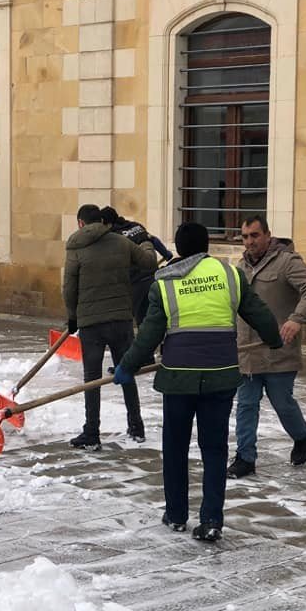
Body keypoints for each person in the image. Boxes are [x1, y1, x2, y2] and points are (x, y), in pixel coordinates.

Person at [113, 222, 282, 542]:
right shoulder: (230, 275)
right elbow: (257, 312)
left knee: (175, 447)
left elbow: (149, 334)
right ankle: (212, 519)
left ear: (178, 248)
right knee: (215, 449)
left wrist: (127, 365)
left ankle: (176, 514)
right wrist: (274, 339)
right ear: (206, 246)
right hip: (221, 377)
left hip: (178, 379)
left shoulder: (163, 283)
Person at [227, 215, 306, 478]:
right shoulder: (240, 267)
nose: (250, 242)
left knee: (282, 402)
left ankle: (302, 435)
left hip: (278, 350)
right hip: (247, 351)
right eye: (245, 237)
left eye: (255, 235)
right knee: (246, 405)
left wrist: (297, 319)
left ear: (268, 235)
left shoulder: (287, 262)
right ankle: (245, 457)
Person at [63, 204, 158, 448]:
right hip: (120, 320)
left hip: (90, 322)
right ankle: (136, 426)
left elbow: (69, 289)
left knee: (91, 378)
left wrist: (72, 317)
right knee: (126, 371)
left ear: (81, 223)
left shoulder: (75, 248)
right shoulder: (121, 242)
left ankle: (91, 432)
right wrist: (146, 240)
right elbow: (149, 262)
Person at [100, 206, 174, 325]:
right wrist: (166, 253)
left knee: (136, 318)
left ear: (106, 223)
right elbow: (153, 240)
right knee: (153, 315)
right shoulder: (136, 226)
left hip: (136, 282)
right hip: (153, 278)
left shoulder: (114, 237)